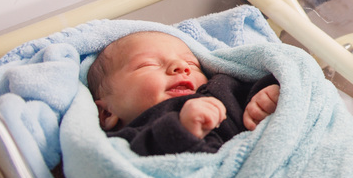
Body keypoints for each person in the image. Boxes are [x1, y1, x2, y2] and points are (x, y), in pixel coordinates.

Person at [87, 30, 281, 156]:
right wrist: (181, 128)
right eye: (148, 64)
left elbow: (250, 87)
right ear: (107, 113)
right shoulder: (124, 144)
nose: (181, 66)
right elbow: (143, 171)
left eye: (192, 64)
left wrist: (267, 96)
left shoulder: (220, 88)